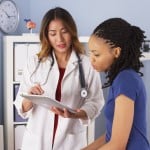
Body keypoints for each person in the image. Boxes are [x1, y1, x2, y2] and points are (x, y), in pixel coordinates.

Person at [14, 7, 104, 150]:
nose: (60, 39)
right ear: (46, 36)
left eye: (64, 32)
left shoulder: (87, 65)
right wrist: (29, 98)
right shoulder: (34, 63)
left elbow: (96, 101)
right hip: (37, 142)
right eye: (53, 33)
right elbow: (21, 105)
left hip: (70, 142)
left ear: (72, 32)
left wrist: (77, 114)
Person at [82, 18, 150, 150]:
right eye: (90, 53)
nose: (92, 60)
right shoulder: (121, 78)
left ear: (116, 52)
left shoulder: (125, 79)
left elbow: (117, 145)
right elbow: (110, 136)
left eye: (96, 54)